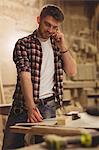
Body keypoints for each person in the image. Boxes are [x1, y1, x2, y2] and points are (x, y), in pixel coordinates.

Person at [2, 4, 77, 149]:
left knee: (44, 147)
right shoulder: (23, 44)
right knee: (10, 147)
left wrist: (63, 46)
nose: (50, 30)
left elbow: (72, 71)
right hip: (22, 106)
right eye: (47, 24)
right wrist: (31, 107)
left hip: (48, 107)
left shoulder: (57, 46)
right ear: (38, 20)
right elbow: (25, 75)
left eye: (55, 27)